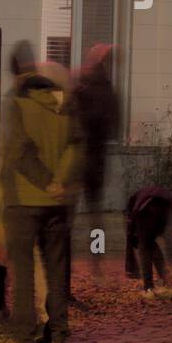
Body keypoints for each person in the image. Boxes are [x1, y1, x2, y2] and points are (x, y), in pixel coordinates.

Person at [0, 42, 79, 343]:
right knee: (56, 268)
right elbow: (76, 146)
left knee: (23, 268)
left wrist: (45, 181)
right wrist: (60, 182)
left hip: (24, 200)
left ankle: (23, 335)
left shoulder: (19, 104)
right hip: (58, 202)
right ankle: (58, 333)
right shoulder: (64, 104)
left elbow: (18, 151)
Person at [69, 44, 119, 299]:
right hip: (96, 158)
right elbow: (114, 121)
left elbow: (71, 117)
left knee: (70, 214)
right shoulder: (107, 90)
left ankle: (68, 265)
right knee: (95, 216)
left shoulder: (80, 88)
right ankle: (96, 264)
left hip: (78, 156)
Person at [126, 184, 172, 299]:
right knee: (150, 244)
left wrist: (132, 231)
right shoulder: (148, 194)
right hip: (163, 210)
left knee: (145, 249)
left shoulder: (135, 203)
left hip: (146, 212)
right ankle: (167, 282)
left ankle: (148, 287)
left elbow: (131, 217)